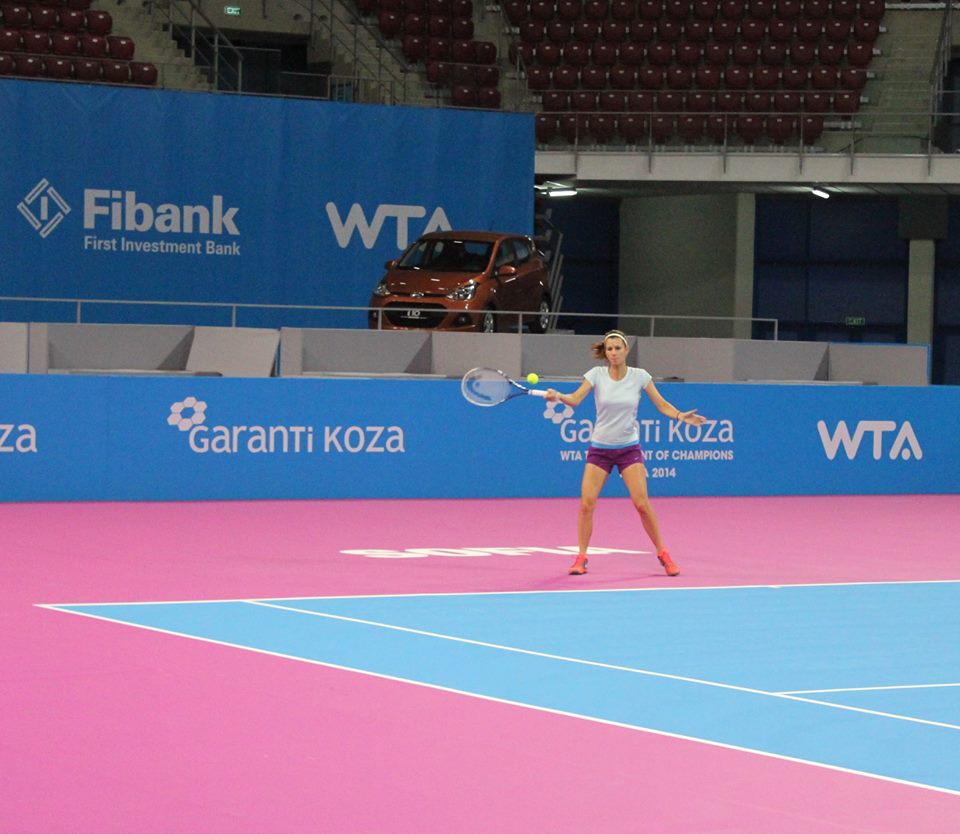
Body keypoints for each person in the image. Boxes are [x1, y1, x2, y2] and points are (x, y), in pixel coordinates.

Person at [545, 329, 706, 577]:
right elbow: (575, 399)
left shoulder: (640, 376)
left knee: (642, 504)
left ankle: (663, 554)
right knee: (586, 504)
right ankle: (581, 557)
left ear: (626, 350)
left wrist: (679, 416)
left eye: (617, 348)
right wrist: (558, 396)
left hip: (628, 449)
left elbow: (661, 404)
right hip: (600, 449)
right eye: (609, 349)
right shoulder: (596, 375)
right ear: (605, 352)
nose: (613, 353)